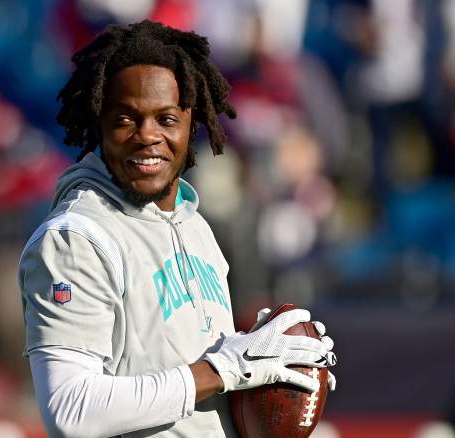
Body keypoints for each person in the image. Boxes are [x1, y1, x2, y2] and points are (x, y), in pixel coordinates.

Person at [18, 20, 337, 437]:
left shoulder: (195, 227)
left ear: (192, 122)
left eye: (166, 118)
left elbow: (201, 404)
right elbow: (70, 411)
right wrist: (224, 368)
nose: (147, 135)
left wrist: (272, 370)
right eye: (125, 119)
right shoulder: (76, 238)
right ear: (99, 123)